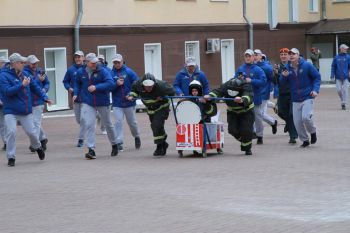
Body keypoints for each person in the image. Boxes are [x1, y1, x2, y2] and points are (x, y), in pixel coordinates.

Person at [0, 53, 52, 167]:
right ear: (14, 64)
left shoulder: (25, 74)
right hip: (10, 111)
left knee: (32, 133)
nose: (24, 64)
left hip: (25, 110)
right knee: (11, 132)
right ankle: (11, 157)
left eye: (24, 62)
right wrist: (22, 86)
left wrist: (45, 97)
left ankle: (38, 147)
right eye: (21, 62)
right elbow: (7, 91)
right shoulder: (3, 76)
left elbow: (35, 87)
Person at [73, 53, 119, 159]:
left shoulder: (103, 71)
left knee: (108, 124)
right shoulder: (81, 72)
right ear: (87, 62)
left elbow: (111, 83)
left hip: (102, 101)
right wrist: (75, 93)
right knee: (89, 124)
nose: (95, 64)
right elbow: (77, 83)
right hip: (88, 102)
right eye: (92, 63)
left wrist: (96, 87)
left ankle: (114, 144)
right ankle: (91, 149)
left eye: (96, 62)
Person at [205, 71, 255, 155]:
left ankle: (247, 148)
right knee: (232, 130)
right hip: (232, 111)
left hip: (246, 111)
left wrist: (242, 99)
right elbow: (218, 91)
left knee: (246, 130)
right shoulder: (227, 84)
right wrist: (210, 96)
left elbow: (248, 95)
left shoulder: (246, 85)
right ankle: (246, 138)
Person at [281, 48, 321, 148]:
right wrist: (284, 76)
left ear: (298, 55)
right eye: (290, 54)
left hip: (307, 96)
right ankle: (305, 140)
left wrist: (315, 90)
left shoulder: (307, 65)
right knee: (297, 122)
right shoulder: (287, 68)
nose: (291, 55)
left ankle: (313, 132)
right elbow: (282, 84)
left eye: (293, 54)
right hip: (295, 98)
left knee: (306, 117)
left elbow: (317, 77)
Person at [128, 73, 175, 156]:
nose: (149, 88)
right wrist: (131, 95)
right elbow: (134, 90)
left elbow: (172, 92)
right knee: (156, 126)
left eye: (150, 86)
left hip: (162, 107)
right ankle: (163, 143)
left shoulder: (162, 86)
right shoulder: (138, 84)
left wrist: (163, 96)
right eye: (146, 86)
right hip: (150, 109)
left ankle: (159, 147)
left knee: (156, 125)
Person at [110, 53, 141, 152]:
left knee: (132, 123)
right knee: (118, 122)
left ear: (122, 61)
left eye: (118, 62)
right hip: (117, 103)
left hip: (129, 103)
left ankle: (136, 136)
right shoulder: (111, 73)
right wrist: (116, 84)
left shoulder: (129, 72)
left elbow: (138, 84)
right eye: (115, 62)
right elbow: (108, 87)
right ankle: (119, 142)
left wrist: (132, 95)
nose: (117, 64)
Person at [236, 49, 266, 145]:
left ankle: (260, 135)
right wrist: (238, 81)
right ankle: (249, 134)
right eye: (246, 56)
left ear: (253, 57)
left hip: (255, 97)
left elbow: (263, 82)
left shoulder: (258, 69)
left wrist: (252, 81)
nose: (248, 58)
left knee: (257, 117)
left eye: (250, 56)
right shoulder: (240, 69)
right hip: (244, 98)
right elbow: (234, 80)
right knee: (246, 118)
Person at [24, 55, 50, 152]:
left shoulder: (40, 71)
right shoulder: (24, 72)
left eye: (36, 63)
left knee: (36, 123)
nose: (35, 65)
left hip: (39, 101)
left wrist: (44, 89)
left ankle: (34, 144)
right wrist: (39, 80)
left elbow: (47, 83)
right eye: (32, 63)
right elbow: (31, 84)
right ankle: (43, 138)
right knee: (32, 123)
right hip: (28, 101)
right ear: (28, 63)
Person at [273, 48, 298, 143]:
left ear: (289, 56)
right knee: (280, 113)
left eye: (285, 54)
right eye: (281, 54)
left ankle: (293, 136)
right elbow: (276, 82)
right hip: (282, 94)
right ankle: (288, 123)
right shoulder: (277, 67)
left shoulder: (292, 65)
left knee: (291, 114)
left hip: (291, 93)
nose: (283, 56)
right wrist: (275, 74)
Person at [63, 50, 85, 147]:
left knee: (84, 120)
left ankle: (81, 140)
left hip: (86, 99)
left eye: (79, 57)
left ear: (83, 58)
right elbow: (65, 81)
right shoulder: (70, 69)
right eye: (76, 57)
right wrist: (69, 88)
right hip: (75, 99)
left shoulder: (87, 69)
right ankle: (92, 119)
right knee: (79, 120)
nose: (77, 59)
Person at [254, 49, 278, 135]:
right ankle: (272, 122)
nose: (255, 56)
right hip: (253, 94)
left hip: (263, 94)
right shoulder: (252, 66)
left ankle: (272, 122)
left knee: (259, 113)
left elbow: (274, 80)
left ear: (261, 56)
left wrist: (275, 92)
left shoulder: (267, 67)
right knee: (256, 113)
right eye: (254, 55)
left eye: (257, 55)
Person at [330, 44, 350, 110]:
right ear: (341, 49)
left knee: (345, 90)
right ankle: (342, 100)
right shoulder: (336, 57)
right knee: (339, 90)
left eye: (346, 49)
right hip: (338, 77)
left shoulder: (348, 57)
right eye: (345, 48)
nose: (346, 50)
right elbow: (333, 66)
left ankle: (343, 103)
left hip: (345, 77)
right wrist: (332, 75)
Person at [0, 56, 10, 151]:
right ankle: (6, 142)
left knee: (5, 124)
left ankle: (7, 142)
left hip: (6, 102)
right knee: (2, 124)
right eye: (5, 64)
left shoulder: (7, 74)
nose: (6, 66)